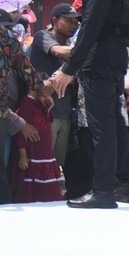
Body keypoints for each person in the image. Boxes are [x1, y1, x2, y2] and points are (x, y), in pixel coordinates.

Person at [50, 0, 129, 209]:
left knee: (102, 126)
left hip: (99, 58)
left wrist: (69, 68)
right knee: (115, 121)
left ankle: (103, 190)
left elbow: (91, 26)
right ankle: (123, 185)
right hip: (116, 54)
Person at [0, 10, 51, 205]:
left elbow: (27, 70)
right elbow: (29, 70)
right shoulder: (7, 37)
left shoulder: (6, 37)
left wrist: (41, 91)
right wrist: (42, 90)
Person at [29, 3, 80, 168]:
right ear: (55, 20)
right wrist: (84, 49)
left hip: (64, 112)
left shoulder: (73, 44)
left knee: (58, 168)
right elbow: (58, 51)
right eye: (69, 21)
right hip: (43, 112)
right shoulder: (42, 36)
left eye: (76, 21)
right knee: (41, 164)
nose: (74, 25)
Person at [11, 88, 64, 203]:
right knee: (31, 189)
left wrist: (49, 107)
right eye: (46, 93)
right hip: (33, 152)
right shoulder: (27, 103)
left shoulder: (41, 104)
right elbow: (21, 132)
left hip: (44, 152)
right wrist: (23, 155)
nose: (48, 96)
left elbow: (47, 120)